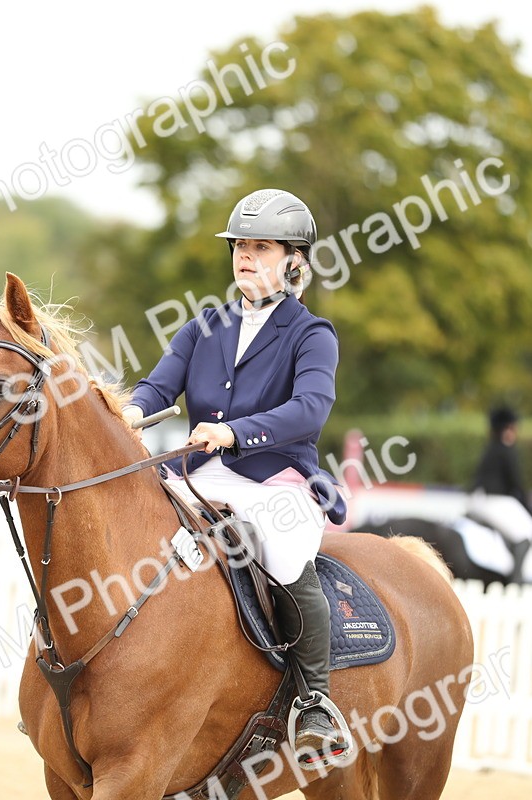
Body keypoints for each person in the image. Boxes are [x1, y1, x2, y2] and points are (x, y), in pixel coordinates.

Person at [122, 188, 349, 767]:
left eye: (261, 247)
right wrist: (128, 411)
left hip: (275, 477)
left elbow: (310, 409)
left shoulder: (311, 333)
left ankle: (314, 702)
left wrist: (236, 432)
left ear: (295, 260)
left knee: (282, 552)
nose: (245, 257)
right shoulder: (205, 327)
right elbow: (157, 386)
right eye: (240, 247)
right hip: (199, 473)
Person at [468, 406, 532, 581]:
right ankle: (517, 580)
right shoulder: (507, 450)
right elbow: (515, 482)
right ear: (508, 428)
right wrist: (527, 503)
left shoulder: (489, 448)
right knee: (528, 533)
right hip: (497, 501)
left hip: (480, 499)